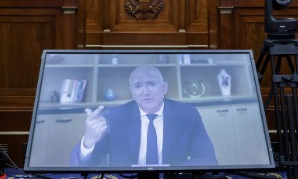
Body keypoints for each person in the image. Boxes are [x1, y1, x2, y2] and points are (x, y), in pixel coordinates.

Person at [69, 66, 217, 167]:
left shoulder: (187, 114)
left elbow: (207, 158)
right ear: (132, 92)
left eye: (151, 84)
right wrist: (88, 142)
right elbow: (82, 166)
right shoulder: (113, 117)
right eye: (138, 86)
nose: (145, 92)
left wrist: (172, 174)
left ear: (164, 87)